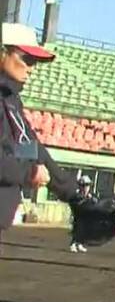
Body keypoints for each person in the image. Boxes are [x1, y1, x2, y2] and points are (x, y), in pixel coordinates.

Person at [0, 37, 82, 251]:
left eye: (35, 62)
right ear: (2, 52)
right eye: (27, 59)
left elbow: (30, 149)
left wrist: (73, 195)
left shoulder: (10, 100)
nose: (31, 69)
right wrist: (28, 173)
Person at [68, 175, 94, 252]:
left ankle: (80, 244)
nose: (87, 188)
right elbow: (76, 204)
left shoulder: (89, 196)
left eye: (88, 186)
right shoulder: (77, 195)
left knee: (85, 230)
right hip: (78, 216)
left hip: (86, 216)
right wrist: (85, 199)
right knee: (77, 229)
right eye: (85, 185)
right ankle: (73, 244)